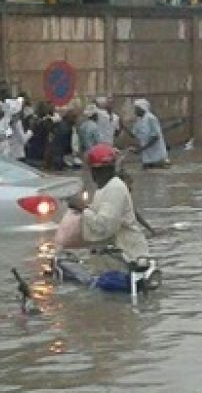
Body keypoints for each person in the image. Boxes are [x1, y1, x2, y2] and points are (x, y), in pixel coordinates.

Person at [68, 144, 149, 273]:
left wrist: (82, 208)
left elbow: (104, 227)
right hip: (112, 257)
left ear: (95, 171)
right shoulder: (104, 189)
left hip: (126, 259)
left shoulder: (114, 189)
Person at [117, 169, 158, 237]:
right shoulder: (120, 195)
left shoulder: (119, 194)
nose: (131, 188)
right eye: (129, 184)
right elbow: (135, 214)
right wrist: (151, 230)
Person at [130, 99, 169, 169]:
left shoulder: (151, 118)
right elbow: (133, 135)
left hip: (157, 155)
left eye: (136, 109)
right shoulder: (138, 120)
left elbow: (155, 138)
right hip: (146, 157)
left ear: (142, 108)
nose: (134, 111)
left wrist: (140, 150)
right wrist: (122, 126)